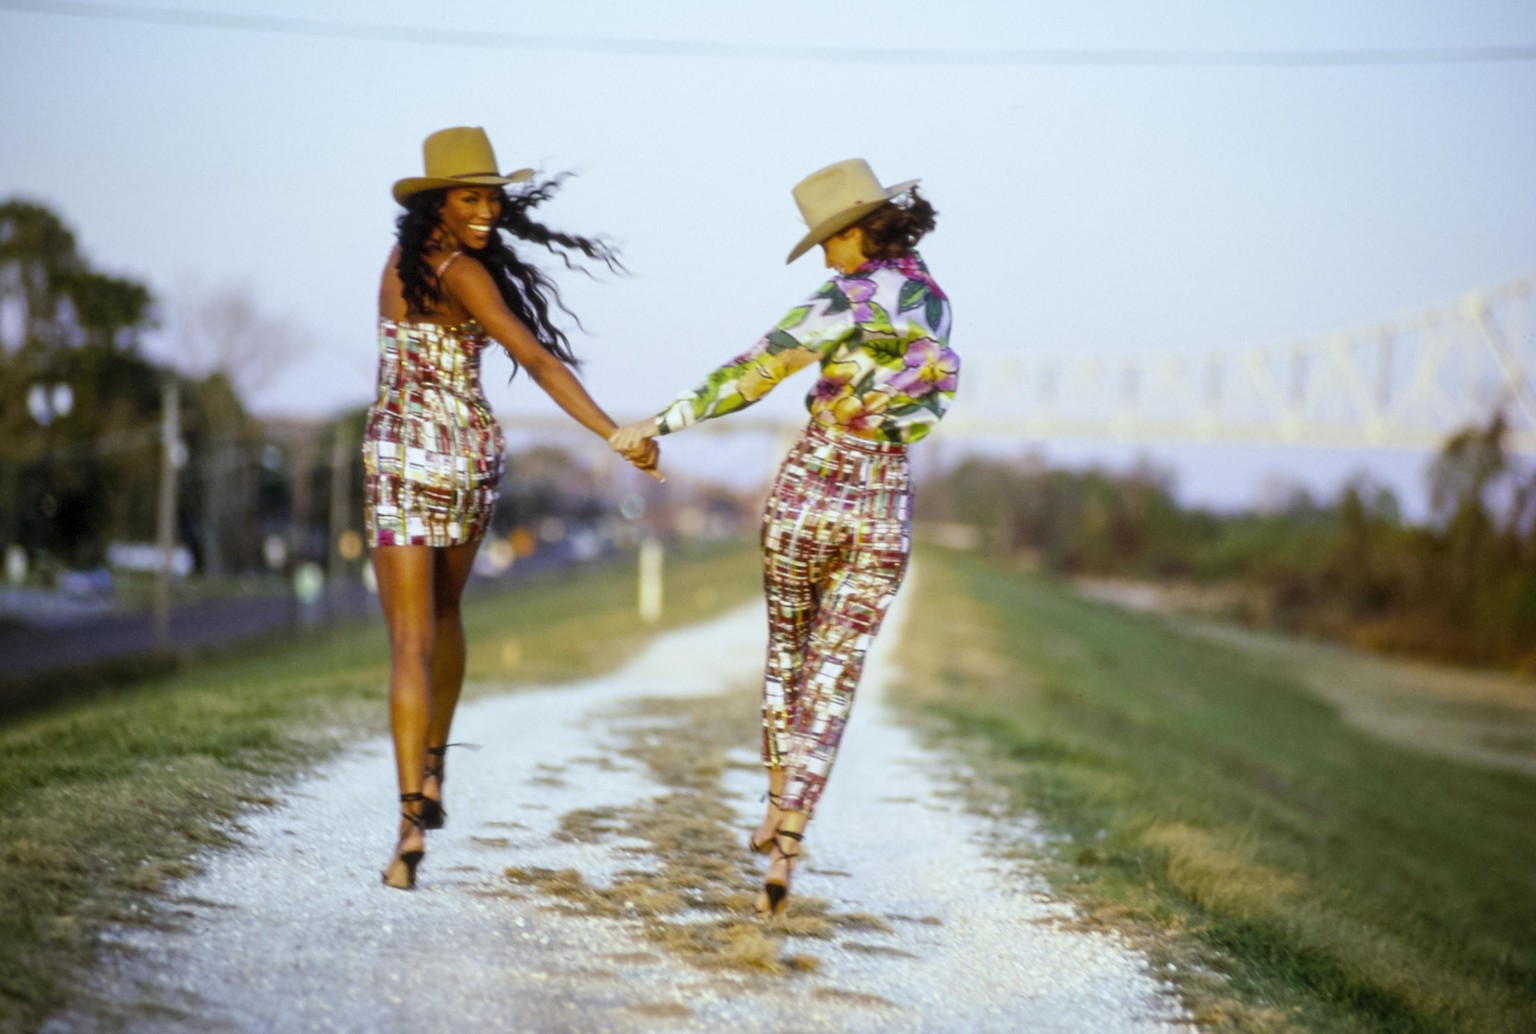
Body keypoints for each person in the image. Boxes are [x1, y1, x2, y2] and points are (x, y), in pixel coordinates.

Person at [610, 158, 958, 916]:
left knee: (790, 654)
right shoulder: (936, 305)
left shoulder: (846, 296)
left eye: (830, 239)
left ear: (859, 232)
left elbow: (754, 373)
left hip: (813, 483)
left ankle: (774, 800)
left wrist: (659, 424)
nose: (826, 254)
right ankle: (791, 834)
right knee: (838, 669)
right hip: (884, 497)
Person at [369, 126, 659, 890]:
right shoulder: (464, 272)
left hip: (398, 450)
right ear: (437, 200)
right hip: (463, 452)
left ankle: (407, 824)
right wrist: (614, 433)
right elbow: (531, 356)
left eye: (493, 198)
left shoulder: (397, 268)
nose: (488, 211)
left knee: (408, 638)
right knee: (446, 615)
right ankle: (432, 776)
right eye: (471, 198)